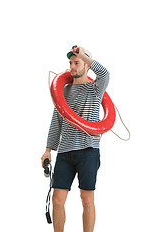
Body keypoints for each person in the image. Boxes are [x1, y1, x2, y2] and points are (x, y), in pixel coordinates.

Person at [41, 45, 110, 232]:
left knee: (87, 199)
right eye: (70, 62)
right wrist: (48, 149)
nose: (72, 66)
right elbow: (56, 122)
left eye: (76, 62)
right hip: (65, 152)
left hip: (88, 150)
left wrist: (84, 56)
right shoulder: (62, 92)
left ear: (86, 65)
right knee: (57, 200)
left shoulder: (96, 88)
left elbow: (105, 73)